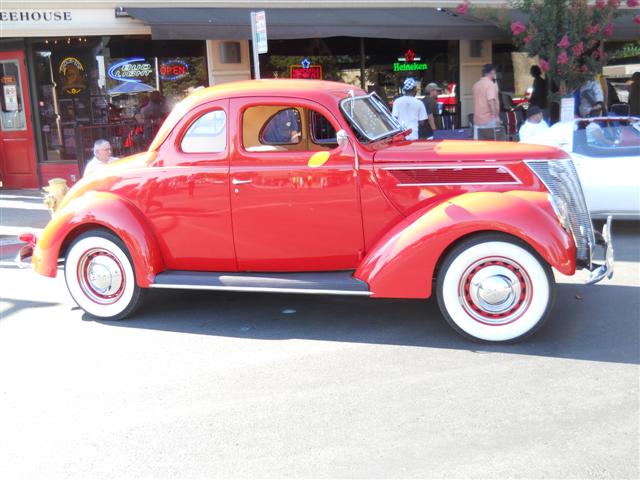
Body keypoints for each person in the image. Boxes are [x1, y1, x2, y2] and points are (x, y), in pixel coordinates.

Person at [472, 64, 501, 140]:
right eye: (494, 71)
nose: (495, 73)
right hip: (489, 120)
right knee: (491, 146)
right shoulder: (490, 85)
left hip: (477, 119)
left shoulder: (476, 85)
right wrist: (496, 117)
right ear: (491, 72)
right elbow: (491, 101)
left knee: (479, 146)